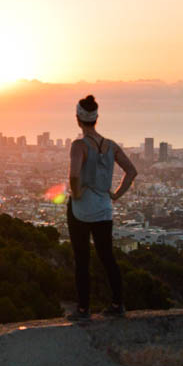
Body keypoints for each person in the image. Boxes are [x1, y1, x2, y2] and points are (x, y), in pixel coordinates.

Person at [67, 94, 137, 319]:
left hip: (81, 208)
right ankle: (118, 304)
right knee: (107, 257)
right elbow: (132, 171)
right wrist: (116, 195)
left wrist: (77, 193)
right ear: (96, 119)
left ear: (78, 119)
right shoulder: (111, 146)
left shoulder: (79, 145)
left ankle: (83, 309)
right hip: (104, 207)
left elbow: (74, 175)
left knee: (82, 259)